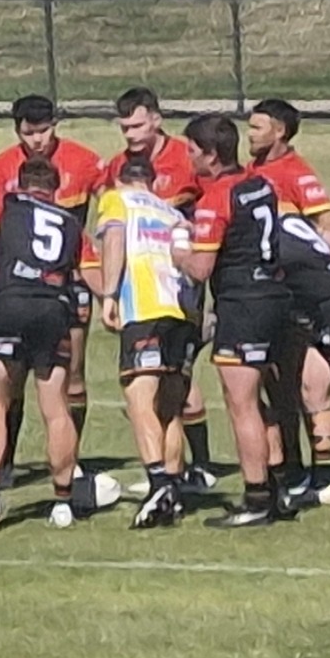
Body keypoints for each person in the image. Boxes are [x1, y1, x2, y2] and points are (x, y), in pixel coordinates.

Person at [179, 113, 298, 529]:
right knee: (262, 400)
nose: (189, 158)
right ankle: (279, 487)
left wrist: (177, 250)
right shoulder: (259, 183)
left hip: (243, 302)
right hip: (274, 294)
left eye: (192, 151)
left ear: (211, 155)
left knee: (241, 403)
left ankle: (256, 498)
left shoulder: (216, 197)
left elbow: (200, 268)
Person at [101, 86, 218, 491]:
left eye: (137, 126)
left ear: (156, 119)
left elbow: (214, 206)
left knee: (173, 376)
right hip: (150, 280)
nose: (131, 135)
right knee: (169, 378)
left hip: (178, 281)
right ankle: (177, 471)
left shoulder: (188, 156)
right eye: (124, 128)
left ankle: (194, 466)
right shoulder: (119, 166)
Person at [0, 158, 92, 530]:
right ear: (56, 188)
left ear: (20, 184)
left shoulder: (4, 203)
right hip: (53, 308)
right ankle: (63, 503)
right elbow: (87, 271)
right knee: (56, 407)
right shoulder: (71, 221)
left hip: (9, 302)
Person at [0, 96, 107, 470]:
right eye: (29, 132)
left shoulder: (84, 161)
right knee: (13, 375)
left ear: (56, 124)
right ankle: (4, 459)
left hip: (70, 281)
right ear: (16, 130)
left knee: (72, 374)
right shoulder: (1, 167)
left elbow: (112, 206)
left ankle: (71, 460)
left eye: (44, 130)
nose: (37, 139)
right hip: (19, 285)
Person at [247, 97, 330, 502]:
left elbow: (327, 225)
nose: (249, 134)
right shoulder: (252, 170)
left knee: (308, 384)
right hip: (271, 295)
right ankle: (291, 470)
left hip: (301, 297)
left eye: (257, 127)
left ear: (279, 132)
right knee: (279, 388)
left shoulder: (297, 173)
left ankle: (320, 475)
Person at [94, 153, 196, 529]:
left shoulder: (116, 199)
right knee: (170, 408)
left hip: (144, 309)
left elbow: (115, 239)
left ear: (120, 178)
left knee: (140, 400)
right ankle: (173, 488)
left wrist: (108, 295)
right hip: (180, 313)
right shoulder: (173, 212)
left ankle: (157, 482)